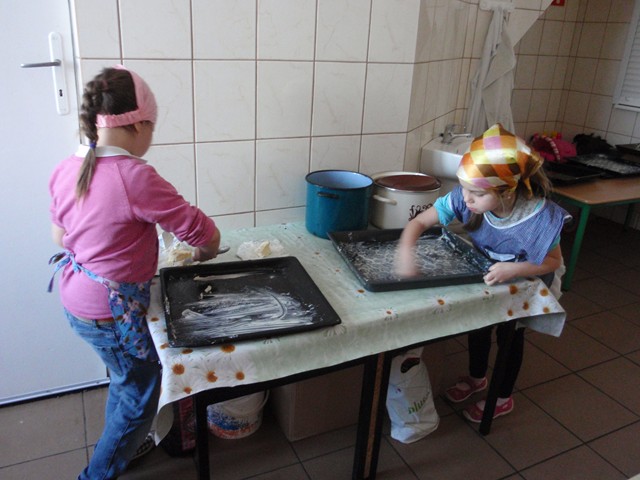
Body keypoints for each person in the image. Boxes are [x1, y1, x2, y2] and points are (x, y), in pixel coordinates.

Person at [48, 65, 221, 479]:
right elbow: (203, 232)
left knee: (125, 378)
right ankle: (99, 471)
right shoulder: (134, 176)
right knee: (141, 394)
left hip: (78, 300)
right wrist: (204, 254)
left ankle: (122, 437)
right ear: (140, 125)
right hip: (110, 311)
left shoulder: (67, 167)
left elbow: (60, 237)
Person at [395, 123, 569, 423]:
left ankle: (502, 397)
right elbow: (419, 223)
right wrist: (406, 252)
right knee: (479, 325)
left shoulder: (537, 217)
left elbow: (553, 261)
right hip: (489, 268)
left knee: (509, 336)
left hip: (527, 275)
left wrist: (515, 268)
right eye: (464, 188)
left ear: (507, 191)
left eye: (476, 193)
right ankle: (477, 378)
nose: (466, 198)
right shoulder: (466, 199)